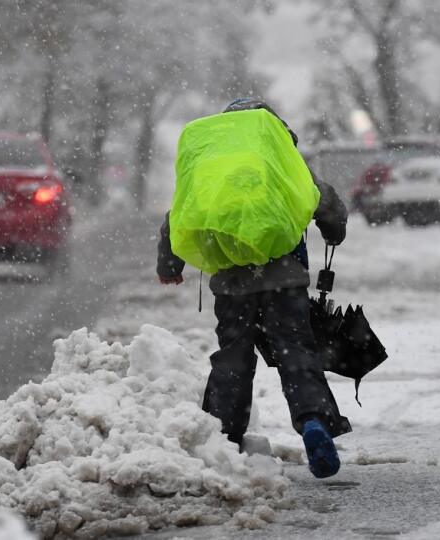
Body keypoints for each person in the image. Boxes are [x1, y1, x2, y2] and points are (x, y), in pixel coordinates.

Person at [157, 98, 351, 478]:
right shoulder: (279, 160)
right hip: (285, 279)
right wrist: (334, 230)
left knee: (234, 356)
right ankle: (313, 421)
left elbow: (178, 214)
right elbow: (324, 201)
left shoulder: (214, 167)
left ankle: (225, 437)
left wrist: (169, 262)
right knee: (295, 351)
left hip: (231, 284)